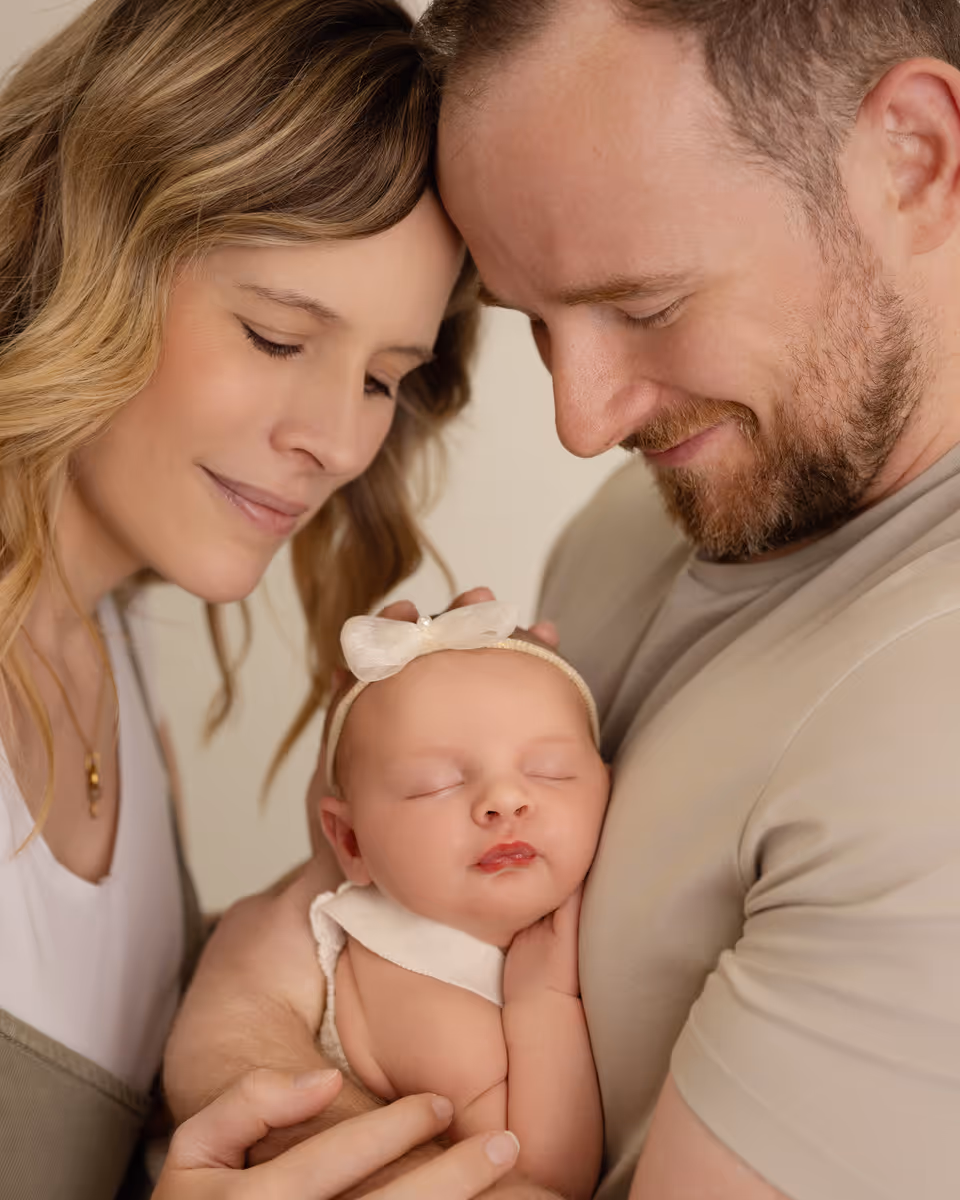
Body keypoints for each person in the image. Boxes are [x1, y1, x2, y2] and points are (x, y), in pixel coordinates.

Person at [166, 0, 960, 1197]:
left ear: (916, 156)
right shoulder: (657, 514)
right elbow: (347, 896)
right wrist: (262, 1086)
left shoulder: (932, 735)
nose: (582, 423)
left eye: (644, 306)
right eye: (535, 323)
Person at [0, 0, 533, 1196]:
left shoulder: (109, 656)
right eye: (276, 336)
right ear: (80, 233)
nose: (337, 441)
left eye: (386, 379)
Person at [309, 602, 606, 1199]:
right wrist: (543, 1000)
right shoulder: (414, 982)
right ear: (350, 841)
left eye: (549, 771)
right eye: (436, 785)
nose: (503, 800)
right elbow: (537, 1179)